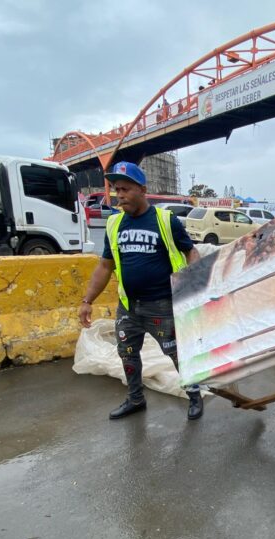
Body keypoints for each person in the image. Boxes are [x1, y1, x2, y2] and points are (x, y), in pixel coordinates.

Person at [79, 161, 204, 421]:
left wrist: (193, 283)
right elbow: (105, 265)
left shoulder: (165, 220)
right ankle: (135, 399)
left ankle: (194, 395)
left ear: (142, 189)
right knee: (126, 352)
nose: (119, 195)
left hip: (162, 305)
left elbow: (190, 251)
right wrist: (87, 300)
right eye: (116, 189)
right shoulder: (114, 225)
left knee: (176, 353)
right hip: (129, 306)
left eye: (125, 189)